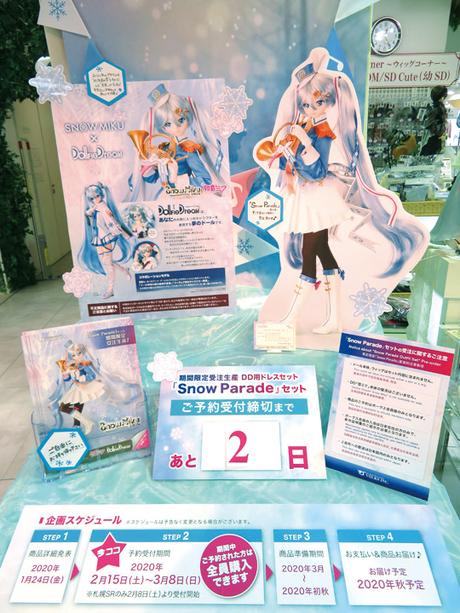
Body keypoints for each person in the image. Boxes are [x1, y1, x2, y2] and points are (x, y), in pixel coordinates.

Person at [255, 47, 427, 334]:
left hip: (319, 199)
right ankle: (333, 318)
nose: (310, 109)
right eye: (305, 105)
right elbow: (297, 165)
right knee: (323, 253)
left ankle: (292, 317)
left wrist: (303, 144)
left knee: (309, 256)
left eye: (317, 103)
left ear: (332, 102)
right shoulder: (308, 128)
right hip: (308, 198)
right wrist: (288, 149)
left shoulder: (323, 133)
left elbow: (317, 171)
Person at [127, 83, 224, 201]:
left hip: (185, 197)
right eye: (168, 124)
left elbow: (205, 180)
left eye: (181, 120)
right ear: (162, 127)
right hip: (166, 197)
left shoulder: (188, 149)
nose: (176, 127)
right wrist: (150, 165)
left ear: (187, 119)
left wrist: (176, 178)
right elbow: (151, 179)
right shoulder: (163, 149)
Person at [78, 183, 132, 299]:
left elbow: (112, 221)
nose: (95, 199)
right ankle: (124, 270)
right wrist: (93, 208)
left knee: (108, 264)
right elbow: (88, 213)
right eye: (92, 198)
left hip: (106, 237)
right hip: (98, 238)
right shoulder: (96, 207)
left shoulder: (104, 208)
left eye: (97, 196)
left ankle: (110, 289)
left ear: (101, 195)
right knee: (107, 262)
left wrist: (122, 233)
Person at [50, 341, 105, 435]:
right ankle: (84, 423)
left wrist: (81, 378)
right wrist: (66, 375)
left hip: (84, 386)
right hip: (76, 387)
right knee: (65, 406)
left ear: (83, 353)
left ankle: (81, 424)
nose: (77, 356)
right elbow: (68, 379)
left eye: (79, 353)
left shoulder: (85, 364)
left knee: (71, 406)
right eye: (74, 355)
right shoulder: (72, 365)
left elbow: (92, 376)